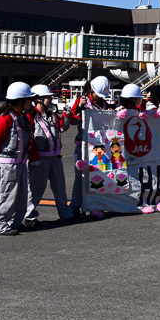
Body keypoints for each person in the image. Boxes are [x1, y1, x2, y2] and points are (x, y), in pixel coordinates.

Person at [0, 82, 39, 236]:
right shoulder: (6, 119)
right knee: (7, 197)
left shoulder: (22, 117)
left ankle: (16, 222)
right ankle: (0, 226)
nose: (31, 103)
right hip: (7, 166)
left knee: (21, 197)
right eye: (29, 99)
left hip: (20, 164)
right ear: (20, 101)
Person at [25, 84, 73, 226]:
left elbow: (62, 128)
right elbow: (29, 140)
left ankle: (65, 215)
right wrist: (33, 158)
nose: (51, 100)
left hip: (55, 157)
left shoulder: (51, 115)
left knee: (60, 188)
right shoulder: (30, 117)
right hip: (40, 159)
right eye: (48, 98)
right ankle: (29, 217)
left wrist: (67, 115)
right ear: (38, 99)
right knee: (36, 189)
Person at [67, 75, 110, 218]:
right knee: (81, 178)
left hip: (99, 147)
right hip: (83, 146)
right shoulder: (82, 101)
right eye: (98, 94)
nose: (100, 97)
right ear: (91, 90)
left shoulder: (103, 103)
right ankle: (75, 207)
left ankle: (95, 206)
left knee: (99, 176)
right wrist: (80, 107)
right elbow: (72, 120)